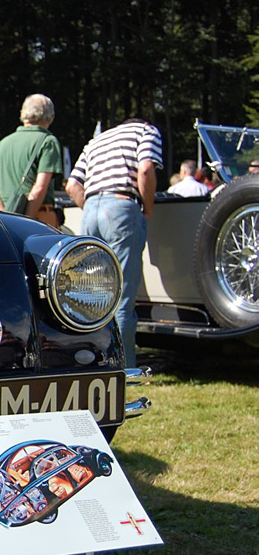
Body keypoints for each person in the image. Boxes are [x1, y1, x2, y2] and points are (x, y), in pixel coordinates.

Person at [65, 119, 163, 368]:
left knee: (90, 295)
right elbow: (145, 169)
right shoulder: (145, 130)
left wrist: (92, 208)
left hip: (91, 211)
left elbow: (72, 185)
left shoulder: (97, 141)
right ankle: (125, 367)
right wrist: (147, 209)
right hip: (121, 207)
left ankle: (92, 362)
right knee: (122, 294)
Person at [0, 94, 63, 227]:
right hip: (39, 220)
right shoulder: (48, 142)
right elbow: (39, 188)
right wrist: (24, 223)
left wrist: (5, 224)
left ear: (23, 114)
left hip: (5, 224)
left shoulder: (1, 145)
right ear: (51, 117)